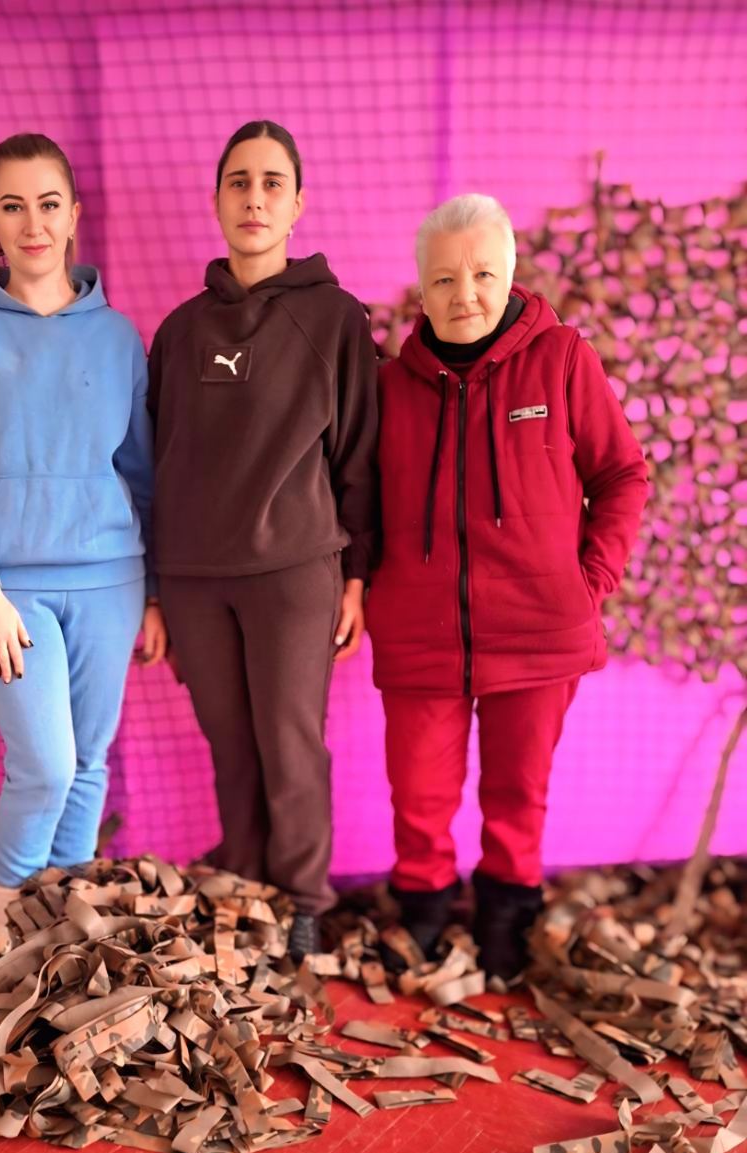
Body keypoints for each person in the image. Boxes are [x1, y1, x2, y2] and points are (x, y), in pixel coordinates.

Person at [368, 193, 649, 982]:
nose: (465, 294)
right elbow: (356, 504)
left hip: (540, 632)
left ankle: (506, 920)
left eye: (483, 274)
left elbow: (623, 474)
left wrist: (591, 580)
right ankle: (423, 915)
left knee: (519, 794)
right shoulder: (388, 386)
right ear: (421, 290)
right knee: (418, 797)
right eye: (445, 279)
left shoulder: (562, 359)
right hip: (418, 636)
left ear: (510, 275)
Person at [0, 132, 164, 950]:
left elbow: (141, 472)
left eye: (49, 204)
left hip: (112, 581)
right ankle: (12, 944)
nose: (33, 223)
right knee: (45, 767)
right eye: (14, 205)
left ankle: (65, 942)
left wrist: (154, 593)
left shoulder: (119, 337)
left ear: (74, 215)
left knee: (88, 764)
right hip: (10, 588)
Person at [147, 120, 379, 959]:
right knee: (230, 745)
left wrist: (357, 578)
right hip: (193, 581)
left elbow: (360, 457)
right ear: (217, 200)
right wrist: (154, 591)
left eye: (272, 182)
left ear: (297, 203)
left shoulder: (335, 318)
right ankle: (244, 885)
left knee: (289, 742)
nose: (254, 198)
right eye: (239, 182)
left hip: (295, 573)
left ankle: (306, 900)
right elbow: (152, 462)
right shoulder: (178, 332)